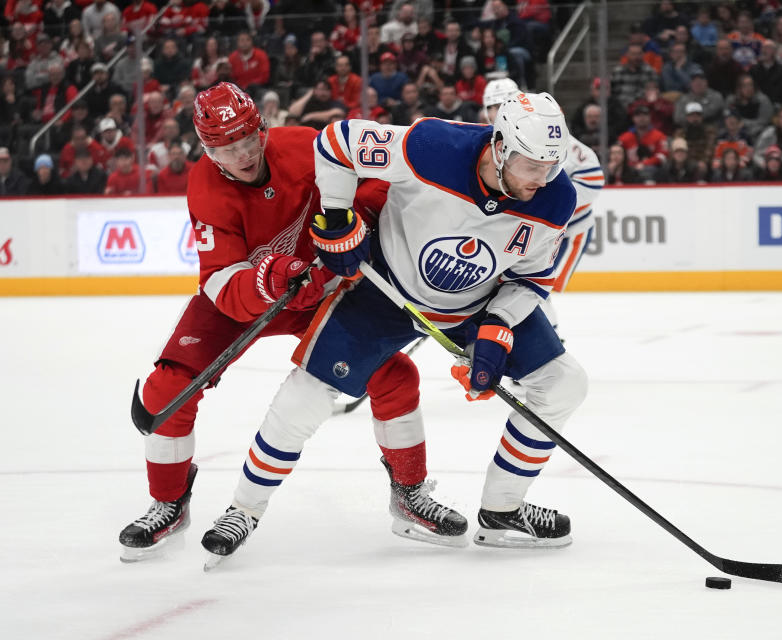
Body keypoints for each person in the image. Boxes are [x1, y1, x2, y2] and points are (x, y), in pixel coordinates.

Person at [202, 91, 589, 564]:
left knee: (564, 382)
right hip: (384, 291)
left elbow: (532, 277)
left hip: (476, 304)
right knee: (307, 392)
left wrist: (498, 326)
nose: (543, 178)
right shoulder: (432, 146)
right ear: (502, 145)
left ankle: (502, 509)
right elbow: (337, 142)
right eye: (532, 165)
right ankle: (244, 508)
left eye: (550, 166)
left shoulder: (556, 197)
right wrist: (340, 215)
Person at [117, 83, 457, 564]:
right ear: (207, 150)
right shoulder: (206, 187)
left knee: (395, 375)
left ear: (262, 127)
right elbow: (220, 281)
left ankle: (409, 495)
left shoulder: (304, 145)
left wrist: (357, 218)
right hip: (244, 298)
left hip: (320, 289)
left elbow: (378, 183)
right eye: (225, 148)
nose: (242, 154)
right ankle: (169, 504)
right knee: (166, 390)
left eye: (248, 139)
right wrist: (272, 276)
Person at [481, 78, 604, 330]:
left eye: (504, 102)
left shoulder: (544, 133)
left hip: (566, 232)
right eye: (492, 105)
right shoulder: (488, 138)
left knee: (532, 287)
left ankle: (548, 340)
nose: (498, 110)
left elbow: (593, 176)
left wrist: (551, 208)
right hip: (528, 228)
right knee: (511, 285)